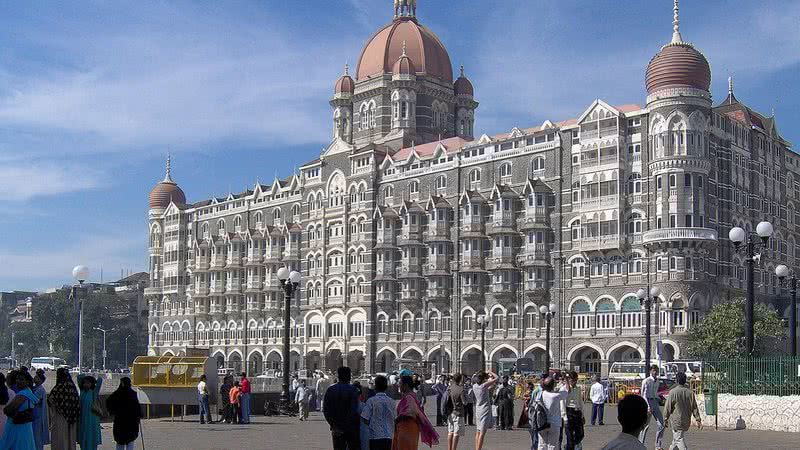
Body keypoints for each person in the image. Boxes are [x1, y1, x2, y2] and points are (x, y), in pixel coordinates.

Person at [392, 375, 438, 450]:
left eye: (400, 383)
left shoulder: (409, 398)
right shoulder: (410, 396)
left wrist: (397, 419)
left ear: (406, 385)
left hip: (406, 430)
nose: (398, 385)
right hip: (407, 429)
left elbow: (409, 412)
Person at [323, 366, 361, 450]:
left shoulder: (330, 390)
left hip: (336, 428)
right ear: (349, 377)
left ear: (338, 376)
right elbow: (354, 410)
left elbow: (326, 410)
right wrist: (347, 424)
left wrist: (333, 425)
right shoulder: (353, 390)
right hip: (351, 427)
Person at [664, 372, 702, 450]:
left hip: (676, 420)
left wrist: (665, 419)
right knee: (675, 439)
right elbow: (694, 407)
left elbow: (667, 407)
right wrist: (698, 419)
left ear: (677, 381)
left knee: (678, 439)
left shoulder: (673, 392)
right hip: (686, 420)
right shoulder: (690, 393)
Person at [0, 370, 37, 450]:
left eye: (21, 379)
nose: (18, 381)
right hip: (25, 427)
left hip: (17, 428)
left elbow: (8, 410)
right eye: (17, 379)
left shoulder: (22, 394)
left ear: (27, 381)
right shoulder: (29, 392)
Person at [105, 377, 142, 450]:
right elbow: (137, 407)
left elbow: (108, 402)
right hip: (131, 421)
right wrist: (139, 415)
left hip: (120, 420)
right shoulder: (133, 394)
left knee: (120, 442)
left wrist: (112, 411)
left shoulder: (117, 394)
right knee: (130, 441)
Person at [47, 368, 79, 450]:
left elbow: (51, 400)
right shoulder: (73, 388)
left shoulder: (59, 388)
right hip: (72, 419)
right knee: (70, 440)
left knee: (60, 439)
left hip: (60, 418)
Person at [361, 375, 395, 450]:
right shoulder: (392, 402)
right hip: (388, 436)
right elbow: (395, 418)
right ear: (386, 387)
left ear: (375, 387)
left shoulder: (371, 401)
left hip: (375, 436)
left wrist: (371, 424)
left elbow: (365, 418)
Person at [538, 376, 570, 450]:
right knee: (553, 445)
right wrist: (567, 380)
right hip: (554, 423)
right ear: (553, 385)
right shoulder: (556, 396)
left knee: (542, 444)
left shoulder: (541, 394)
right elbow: (568, 391)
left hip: (541, 421)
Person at [639, 365, 665, 449]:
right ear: (650, 371)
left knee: (661, 424)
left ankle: (658, 445)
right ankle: (640, 444)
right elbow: (644, 394)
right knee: (645, 426)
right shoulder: (646, 381)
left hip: (655, 401)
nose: (655, 372)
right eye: (653, 370)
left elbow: (655, 393)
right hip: (647, 402)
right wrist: (647, 406)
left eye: (656, 370)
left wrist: (659, 398)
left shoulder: (657, 381)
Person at [471, 371, 498, 450]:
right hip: (485, 409)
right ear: (483, 379)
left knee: (478, 431)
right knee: (482, 433)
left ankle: (477, 448)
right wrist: (490, 372)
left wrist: (478, 374)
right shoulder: (484, 386)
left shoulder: (474, 386)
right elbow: (497, 378)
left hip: (478, 409)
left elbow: (488, 388)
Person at [77, 374, 102, 450]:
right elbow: (79, 378)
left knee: (92, 437)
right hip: (83, 419)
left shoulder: (94, 392)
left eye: (88, 383)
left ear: (92, 384)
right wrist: (84, 375)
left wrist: (96, 378)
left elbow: (100, 381)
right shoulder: (82, 392)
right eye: (84, 383)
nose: (86, 384)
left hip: (92, 420)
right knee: (84, 438)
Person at [561, 371, 584, 450]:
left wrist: (582, 415)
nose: (574, 382)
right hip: (569, 412)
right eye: (573, 380)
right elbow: (562, 403)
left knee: (580, 434)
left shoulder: (578, 388)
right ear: (569, 380)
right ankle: (569, 447)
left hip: (577, 412)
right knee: (570, 436)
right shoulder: (564, 389)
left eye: (576, 380)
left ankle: (568, 447)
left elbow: (580, 401)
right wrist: (565, 418)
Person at [443, 373, 466, 450]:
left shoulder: (450, 387)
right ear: (460, 379)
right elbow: (464, 402)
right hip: (458, 412)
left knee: (450, 431)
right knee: (456, 433)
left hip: (450, 411)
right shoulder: (461, 389)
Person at [31, 370, 50, 450]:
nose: (35, 378)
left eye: (37, 378)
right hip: (35, 416)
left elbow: (34, 400)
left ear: (41, 380)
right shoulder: (35, 388)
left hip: (38, 417)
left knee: (37, 437)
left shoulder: (40, 390)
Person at [527, 376, 545, 450]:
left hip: (544, 414)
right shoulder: (536, 391)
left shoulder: (547, 390)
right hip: (535, 413)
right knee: (535, 432)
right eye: (542, 380)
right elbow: (532, 403)